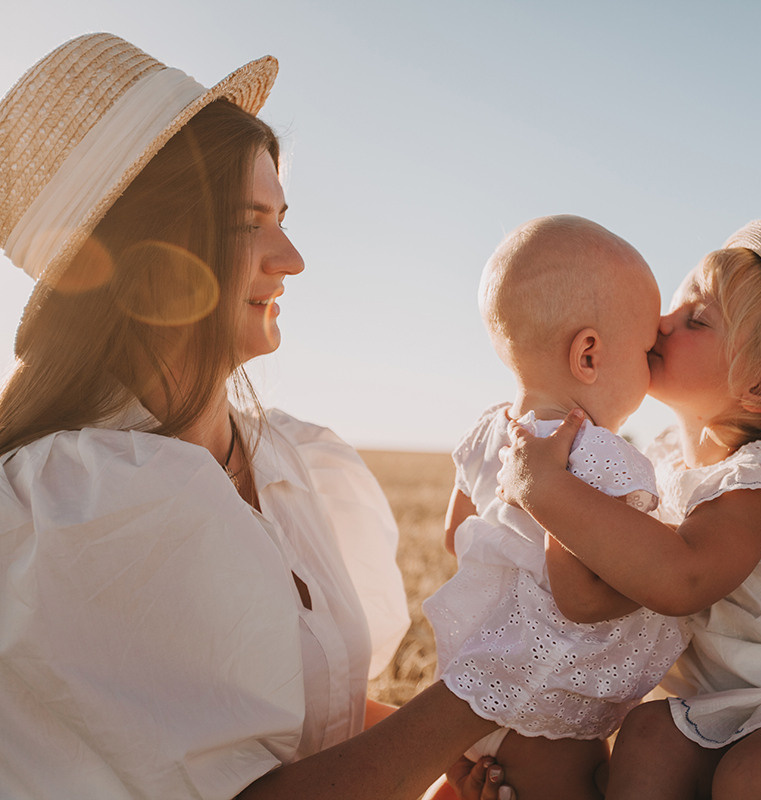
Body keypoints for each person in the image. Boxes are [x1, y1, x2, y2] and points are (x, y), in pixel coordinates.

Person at [0, 33, 512, 800]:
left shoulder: (296, 461)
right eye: (249, 224)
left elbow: (303, 727)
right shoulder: (74, 509)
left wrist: (446, 765)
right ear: (152, 254)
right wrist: (503, 674)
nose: (292, 255)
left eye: (282, 215)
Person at [496, 219, 761, 800]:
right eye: (675, 307)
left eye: (696, 321)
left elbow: (680, 579)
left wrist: (545, 489)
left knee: (759, 778)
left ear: (760, 391)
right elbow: (588, 597)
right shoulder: (663, 467)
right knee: (647, 733)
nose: (661, 323)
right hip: (722, 706)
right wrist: (563, 481)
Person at [422, 215, 690, 800]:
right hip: (546, 696)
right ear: (588, 355)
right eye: (647, 350)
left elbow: (453, 536)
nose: (653, 367)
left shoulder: (489, 432)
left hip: (474, 679)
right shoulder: (597, 456)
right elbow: (605, 582)